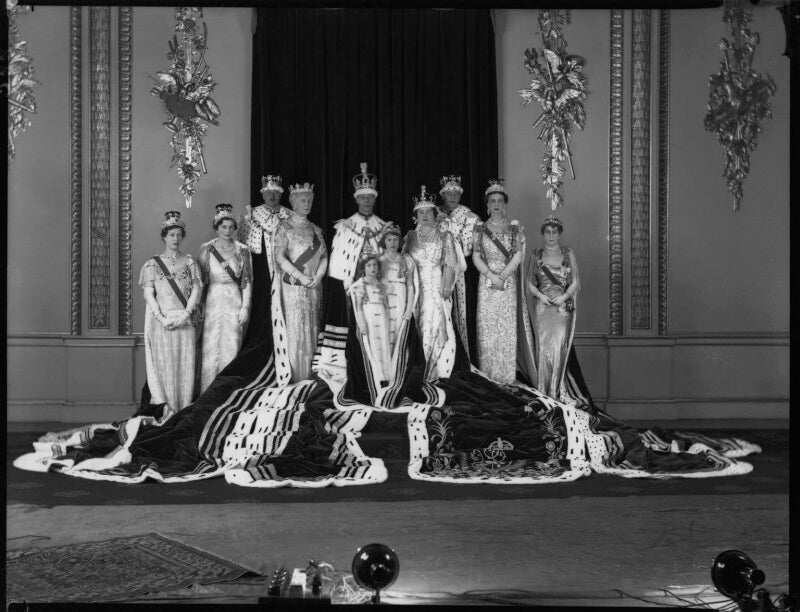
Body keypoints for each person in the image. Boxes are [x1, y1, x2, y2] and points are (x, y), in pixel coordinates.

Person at [315, 162, 393, 383]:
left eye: (370, 197)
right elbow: (339, 262)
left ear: (375, 199)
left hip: (374, 288)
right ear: (356, 199)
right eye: (363, 197)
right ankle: (340, 366)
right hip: (350, 287)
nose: (366, 201)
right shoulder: (346, 226)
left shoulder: (383, 226)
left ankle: (377, 367)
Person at [138, 211, 203, 419]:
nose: (175, 239)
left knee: (185, 367)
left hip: (185, 321)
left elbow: (196, 290)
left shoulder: (190, 262)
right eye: (171, 234)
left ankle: (182, 412)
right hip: (163, 321)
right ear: (164, 237)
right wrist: (161, 317)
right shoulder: (152, 264)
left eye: (178, 235)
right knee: (164, 367)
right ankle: (165, 411)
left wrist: (186, 314)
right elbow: (148, 293)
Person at [471, 180, 533, 385]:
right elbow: (476, 256)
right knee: (487, 328)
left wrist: (503, 276)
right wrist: (491, 276)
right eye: (492, 201)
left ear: (505, 204)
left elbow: (518, 256)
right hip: (487, 281)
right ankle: (488, 376)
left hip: (507, 281)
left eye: (499, 201)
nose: (496, 204)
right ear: (487, 205)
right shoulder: (479, 229)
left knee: (505, 328)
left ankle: (506, 377)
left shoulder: (513, 229)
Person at [403, 185, 461, 381]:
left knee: (434, 324)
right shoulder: (409, 237)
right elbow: (402, 263)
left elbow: (450, 263)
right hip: (415, 289)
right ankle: (416, 369)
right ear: (416, 215)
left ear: (436, 214)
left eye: (429, 211)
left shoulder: (445, 237)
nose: (425, 215)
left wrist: (446, 288)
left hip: (436, 288)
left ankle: (433, 371)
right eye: (421, 212)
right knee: (416, 325)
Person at [240, 174, 294, 383]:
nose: (272, 195)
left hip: (285, 275)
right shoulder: (251, 216)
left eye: (276, 192)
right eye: (268, 192)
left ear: (281, 194)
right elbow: (243, 250)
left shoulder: (290, 216)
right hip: (261, 276)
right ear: (262, 193)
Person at [274, 182, 328, 382]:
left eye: (309, 200)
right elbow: (279, 258)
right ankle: (296, 379)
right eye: (302, 200)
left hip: (314, 286)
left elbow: (324, 256)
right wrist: (301, 276)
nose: (307, 203)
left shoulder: (315, 229)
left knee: (313, 329)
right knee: (296, 330)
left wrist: (319, 276)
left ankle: (311, 378)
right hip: (293, 287)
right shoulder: (284, 227)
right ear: (293, 203)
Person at [197, 204, 253, 392]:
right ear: (216, 227)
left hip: (234, 300)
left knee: (232, 343)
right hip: (213, 299)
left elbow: (246, 281)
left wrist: (245, 307)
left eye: (231, 227)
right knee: (210, 343)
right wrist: (200, 308)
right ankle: (208, 390)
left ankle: (228, 391)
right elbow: (200, 283)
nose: (227, 231)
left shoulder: (242, 250)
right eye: (223, 227)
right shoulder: (206, 249)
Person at [526, 214, 581, 403]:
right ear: (543, 234)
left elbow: (575, 282)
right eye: (547, 232)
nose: (551, 235)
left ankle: (556, 391)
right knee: (543, 348)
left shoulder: (568, 253)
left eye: (554, 232)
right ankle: (542, 391)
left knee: (558, 348)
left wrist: (564, 297)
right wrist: (541, 296)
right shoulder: (536, 254)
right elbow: (529, 283)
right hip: (542, 307)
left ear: (559, 234)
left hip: (561, 308)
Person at [437, 175, 480, 359]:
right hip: (437, 268)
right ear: (443, 194)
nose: (452, 196)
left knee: (461, 311)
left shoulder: (468, 215)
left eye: (456, 193)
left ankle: (463, 356)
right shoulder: (434, 212)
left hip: (459, 269)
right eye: (449, 193)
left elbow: (469, 247)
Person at [348, 256, 393, 386]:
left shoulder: (381, 284)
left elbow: (385, 303)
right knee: (372, 343)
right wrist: (362, 323)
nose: (372, 268)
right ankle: (376, 374)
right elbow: (358, 307)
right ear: (363, 268)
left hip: (382, 316)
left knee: (384, 342)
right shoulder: (360, 285)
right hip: (369, 315)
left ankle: (386, 374)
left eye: (375, 265)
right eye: (369, 265)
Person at [378, 225, 416, 350]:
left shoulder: (406, 260)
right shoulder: (379, 261)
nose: (392, 243)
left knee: (399, 335)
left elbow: (410, 286)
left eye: (395, 240)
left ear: (400, 242)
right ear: (384, 241)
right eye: (389, 240)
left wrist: (409, 308)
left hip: (400, 302)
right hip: (385, 302)